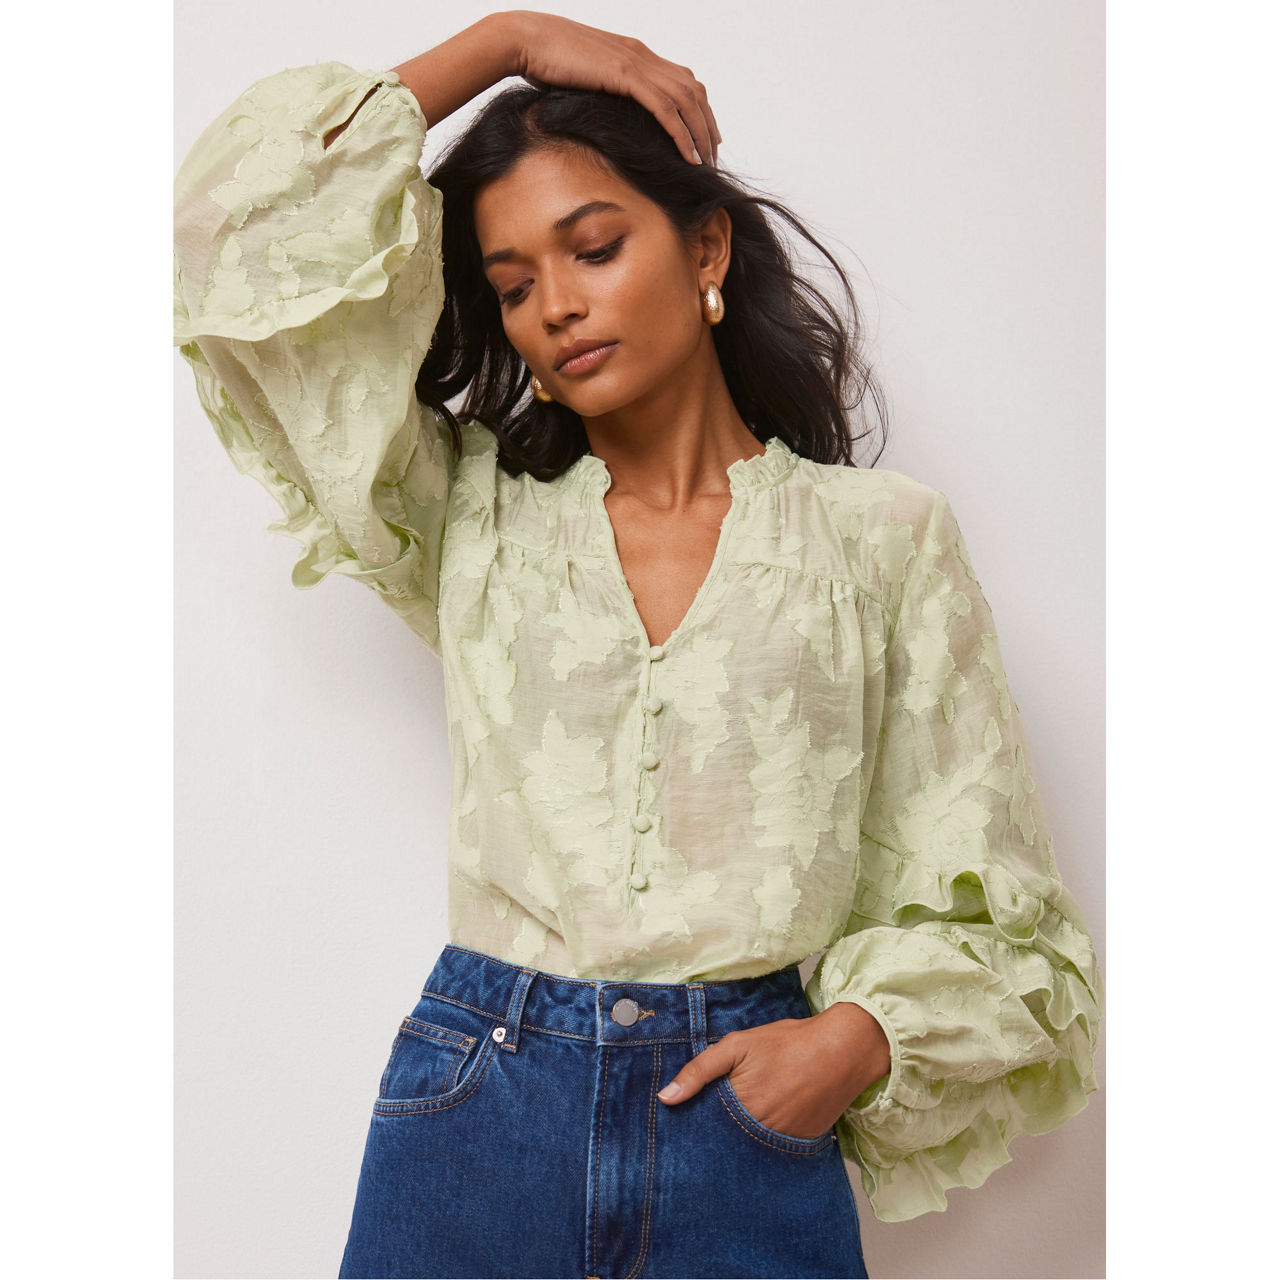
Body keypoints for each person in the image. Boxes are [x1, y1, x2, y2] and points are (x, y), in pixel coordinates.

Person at [173, 11, 1103, 1278]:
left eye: (594, 247)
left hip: (745, 1131)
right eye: (512, 285)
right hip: (480, 1112)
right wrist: (507, 41)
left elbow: (999, 910)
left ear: (703, 244)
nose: (556, 305)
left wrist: (852, 1040)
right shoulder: (461, 517)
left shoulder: (881, 540)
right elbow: (235, 234)